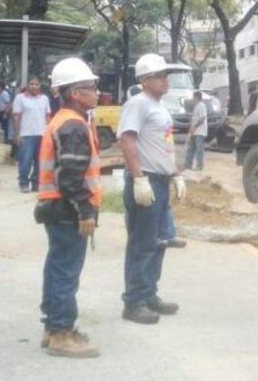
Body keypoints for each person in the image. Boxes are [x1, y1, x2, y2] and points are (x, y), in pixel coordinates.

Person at [35, 57, 103, 358]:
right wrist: (86, 211)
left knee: (56, 267)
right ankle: (62, 333)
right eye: (91, 87)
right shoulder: (73, 125)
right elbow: (71, 177)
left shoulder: (63, 119)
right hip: (68, 211)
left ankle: (53, 328)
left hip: (56, 209)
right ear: (75, 92)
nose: (97, 92)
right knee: (66, 271)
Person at [119, 53, 187, 325]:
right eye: (159, 76)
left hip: (160, 180)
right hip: (145, 179)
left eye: (165, 75)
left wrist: (175, 174)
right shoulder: (138, 104)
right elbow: (127, 140)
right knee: (142, 244)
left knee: (159, 242)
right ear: (145, 80)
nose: (165, 80)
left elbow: (164, 145)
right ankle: (134, 301)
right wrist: (138, 178)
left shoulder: (159, 106)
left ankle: (149, 294)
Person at [12, 77, 52, 193]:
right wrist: (17, 134)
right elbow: (16, 117)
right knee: (25, 161)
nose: (34, 86)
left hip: (42, 134)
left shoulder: (44, 99)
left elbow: (47, 116)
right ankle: (23, 183)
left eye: (36, 84)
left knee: (40, 161)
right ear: (28, 85)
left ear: (40, 86)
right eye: (31, 84)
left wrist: (49, 132)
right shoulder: (20, 98)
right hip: (26, 134)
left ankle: (36, 184)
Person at [184, 91, 207, 171]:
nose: (192, 99)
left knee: (199, 150)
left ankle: (199, 166)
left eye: (193, 97)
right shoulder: (197, 106)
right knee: (191, 148)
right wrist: (191, 128)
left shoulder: (201, 106)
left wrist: (194, 127)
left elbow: (202, 119)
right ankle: (187, 165)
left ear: (197, 97)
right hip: (194, 132)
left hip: (200, 132)